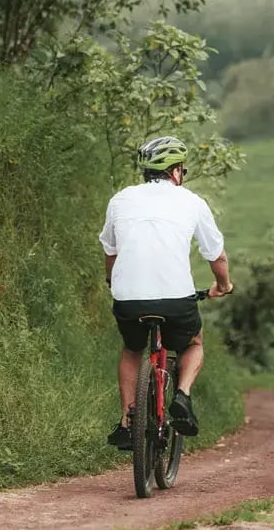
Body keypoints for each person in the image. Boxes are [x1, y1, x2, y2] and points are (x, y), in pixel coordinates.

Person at [99, 136, 234, 450]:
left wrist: (111, 282)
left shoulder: (121, 199)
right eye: (182, 170)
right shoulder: (192, 201)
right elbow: (217, 257)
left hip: (128, 298)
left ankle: (126, 422)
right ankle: (182, 396)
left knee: (133, 349)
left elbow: (110, 251)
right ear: (175, 171)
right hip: (176, 299)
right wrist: (223, 286)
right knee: (193, 343)